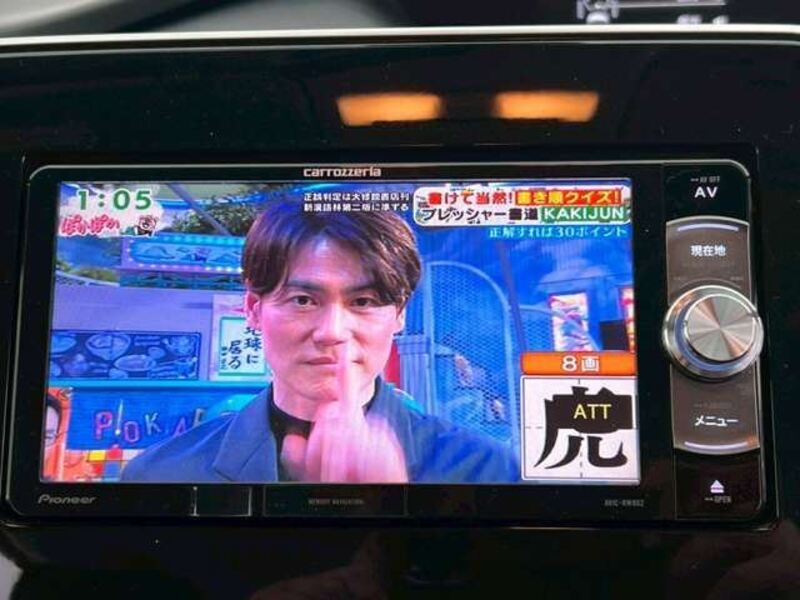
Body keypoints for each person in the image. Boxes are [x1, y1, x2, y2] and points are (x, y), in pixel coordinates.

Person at [122, 200, 517, 483]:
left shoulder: (484, 471)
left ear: (399, 315)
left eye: (363, 302)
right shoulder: (160, 475)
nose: (332, 331)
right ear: (254, 309)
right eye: (303, 300)